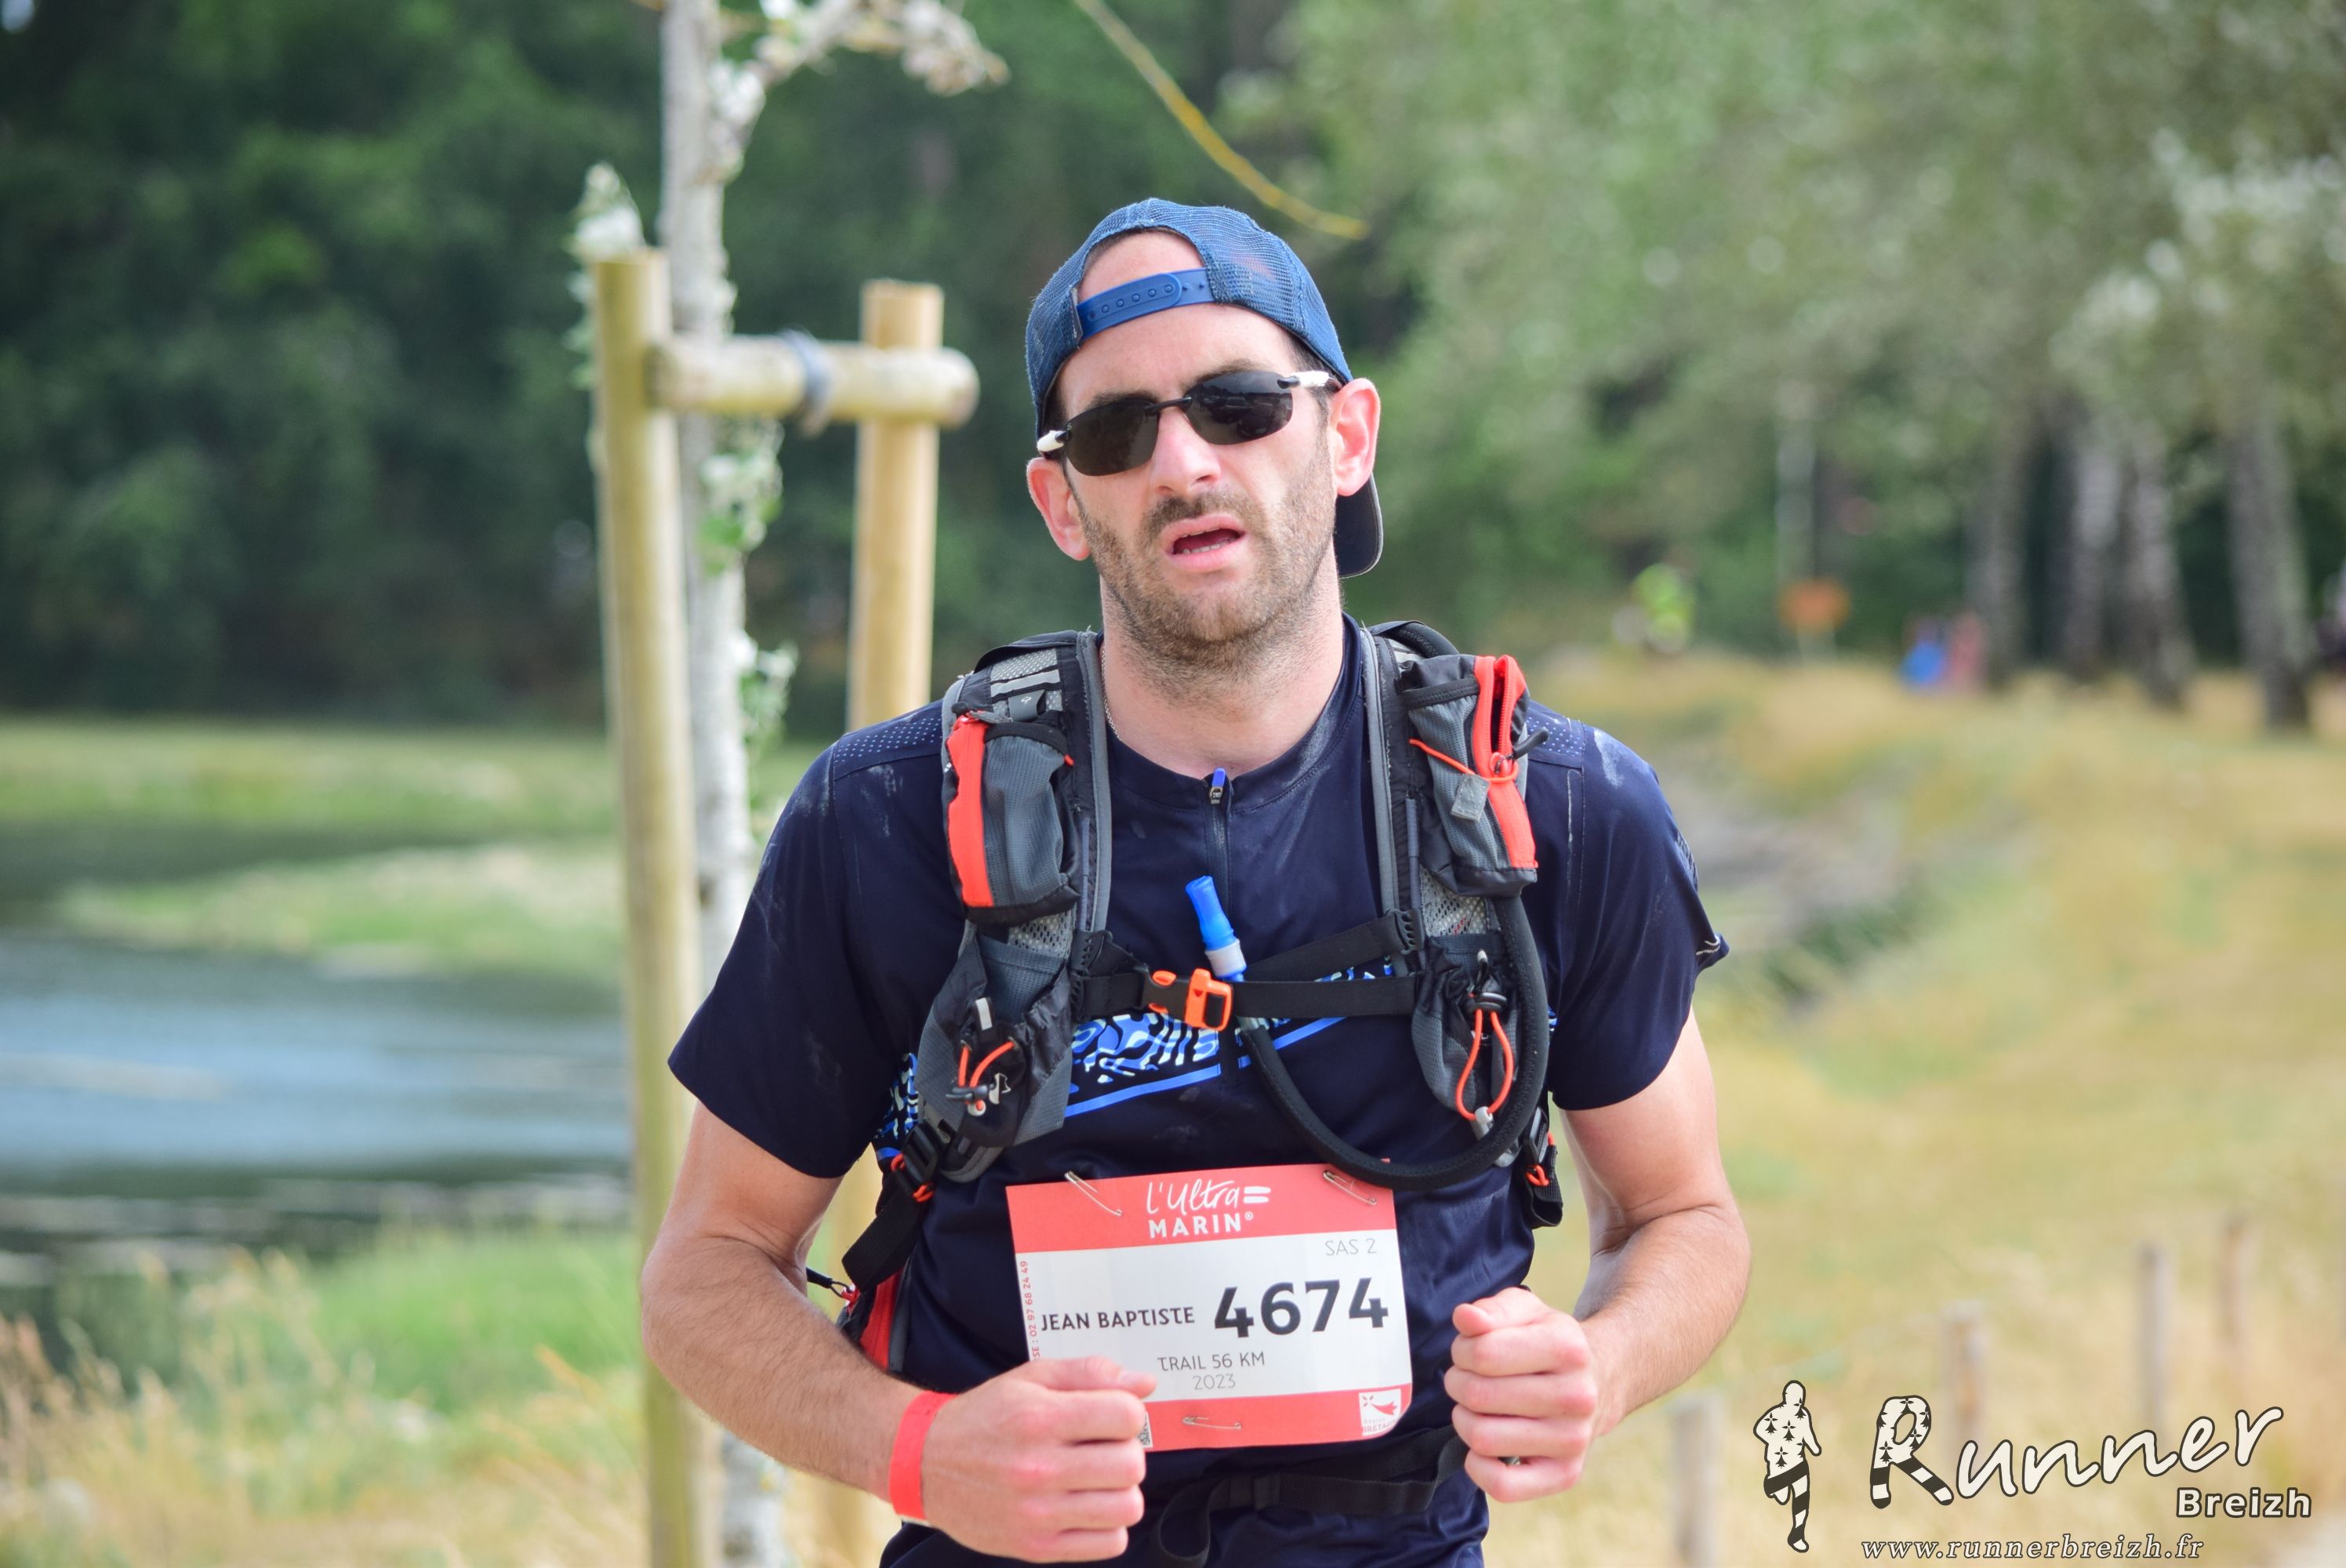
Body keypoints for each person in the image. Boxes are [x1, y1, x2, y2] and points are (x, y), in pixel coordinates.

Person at [641, 199, 1749, 1566]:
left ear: (1347, 436)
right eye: (1115, 432)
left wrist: (1603, 1364)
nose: (1181, 462)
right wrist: (915, 1451)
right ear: (1062, 501)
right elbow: (704, 1273)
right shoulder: (885, 819)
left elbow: (1684, 1218)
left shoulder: (1559, 805)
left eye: (1239, 405)